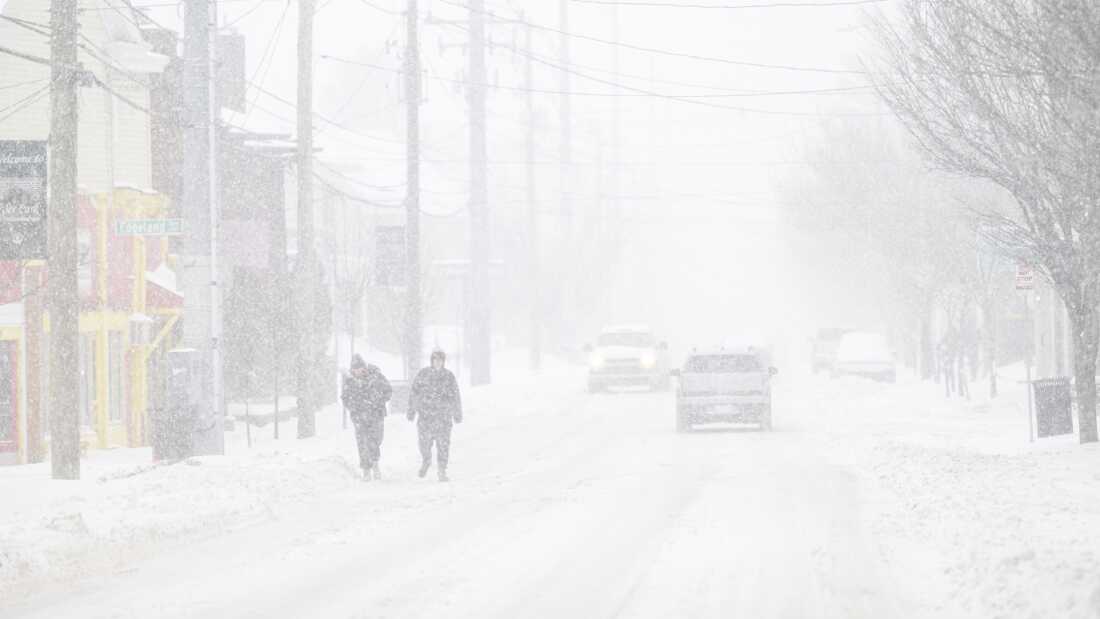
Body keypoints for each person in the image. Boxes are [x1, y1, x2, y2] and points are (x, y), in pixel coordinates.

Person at [408, 349, 463, 482]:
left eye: (440, 360)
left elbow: (456, 396)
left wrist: (457, 412)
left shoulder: (449, 376)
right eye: (435, 359)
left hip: (443, 418)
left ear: (443, 362)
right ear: (431, 361)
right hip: (425, 417)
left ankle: (442, 470)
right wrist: (411, 410)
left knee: (443, 445)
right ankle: (426, 461)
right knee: (424, 444)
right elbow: (414, 393)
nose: (437, 362)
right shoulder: (423, 374)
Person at [341, 354, 392, 481]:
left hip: (376, 415)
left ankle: (375, 462)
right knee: (362, 442)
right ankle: (366, 469)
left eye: (360, 368)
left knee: (375, 440)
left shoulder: (376, 377)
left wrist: (379, 401)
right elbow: (345, 398)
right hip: (359, 417)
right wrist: (353, 407)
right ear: (352, 370)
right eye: (355, 369)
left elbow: (388, 390)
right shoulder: (350, 382)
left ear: (365, 367)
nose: (358, 371)